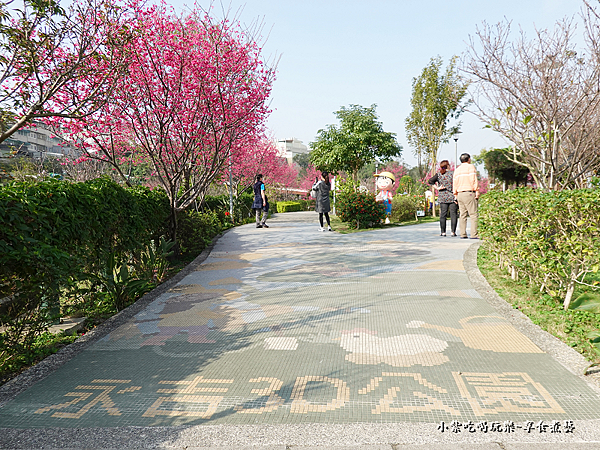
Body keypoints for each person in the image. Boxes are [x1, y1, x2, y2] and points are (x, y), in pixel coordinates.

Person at [452, 153, 479, 239]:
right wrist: (477, 190)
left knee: (462, 215)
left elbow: (455, 183)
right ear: (469, 159)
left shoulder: (457, 170)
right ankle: (474, 234)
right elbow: (473, 180)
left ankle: (463, 234)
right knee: (473, 214)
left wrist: (455, 194)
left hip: (460, 194)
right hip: (469, 193)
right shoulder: (470, 167)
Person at [428, 160, 458, 236]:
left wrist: (437, 188)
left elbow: (430, 181)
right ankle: (453, 232)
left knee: (443, 215)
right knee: (453, 214)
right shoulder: (453, 174)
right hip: (452, 196)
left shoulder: (439, 174)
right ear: (448, 166)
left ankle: (443, 232)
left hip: (442, 197)